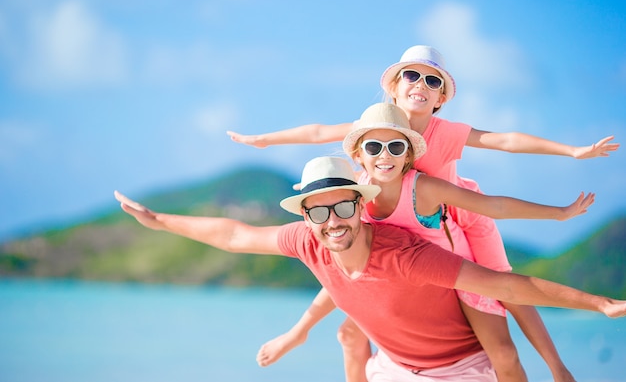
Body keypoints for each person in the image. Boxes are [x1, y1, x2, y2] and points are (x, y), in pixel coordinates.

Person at [226, 45, 619, 382]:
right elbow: (316, 133)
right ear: (392, 87)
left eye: (433, 81)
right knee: (349, 313)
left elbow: (506, 142)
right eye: (411, 75)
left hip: (457, 221)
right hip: (400, 231)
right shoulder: (373, 131)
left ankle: (557, 367)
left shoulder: (444, 133)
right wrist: (264, 139)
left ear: (442, 97)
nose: (421, 84)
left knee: (506, 291)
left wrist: (570, 161)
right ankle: (299, 332)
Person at [114, 156, 626, 382]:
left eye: (342, 208)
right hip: (395, 371)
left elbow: (505, 284)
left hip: (460, 373)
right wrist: (157, 221)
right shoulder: (308, 241)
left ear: (360, 207)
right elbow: (231, 235)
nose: (332, 221)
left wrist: (597, 303)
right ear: (308, 216)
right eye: (319, 210)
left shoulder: (406, 254)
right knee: (348, 336)